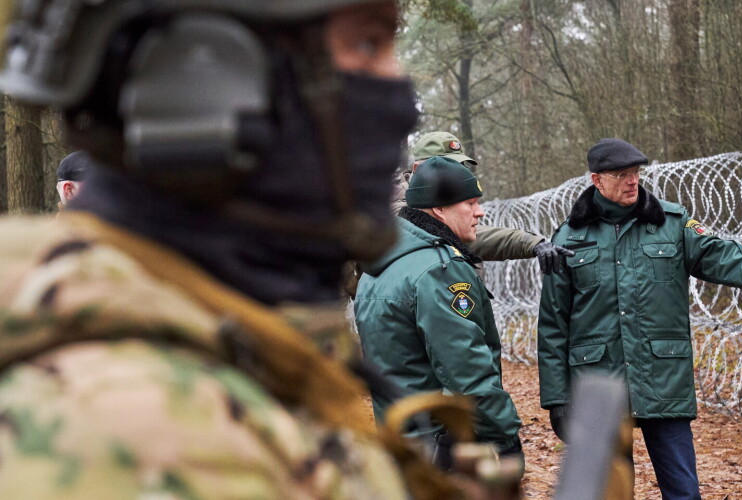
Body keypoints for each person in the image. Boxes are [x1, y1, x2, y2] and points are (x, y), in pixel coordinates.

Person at [0, 1, 457, 498]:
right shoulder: (138, 435)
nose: (399, 91)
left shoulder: (229, 350)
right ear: (199, 79)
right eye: (367, 45)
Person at [537, 138, 742, 499]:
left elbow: (724, 255)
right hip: (598, 385)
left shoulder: (672, 223)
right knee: (605, 493)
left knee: (683, 492)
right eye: (621, 174)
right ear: (596, 180)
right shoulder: (568, 239)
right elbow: (553, 325)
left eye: (635, 173)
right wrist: (558, 399)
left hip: (662, 378)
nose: (632, 181)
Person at [354, 156, 523, 462]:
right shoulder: (440, 269)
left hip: (402, 441)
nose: (480, 212)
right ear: (439, 209)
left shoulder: (378, 267)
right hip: (444, 449)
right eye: (469, 203)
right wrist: (504, 436)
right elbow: (466, 372)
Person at [343, 130, 574, 296]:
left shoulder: (445, 200)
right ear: (418, 169)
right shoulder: (395, 209)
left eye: (459, 166)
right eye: (446, 166)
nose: (455, 174)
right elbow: (465, 235)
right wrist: (530, 242)